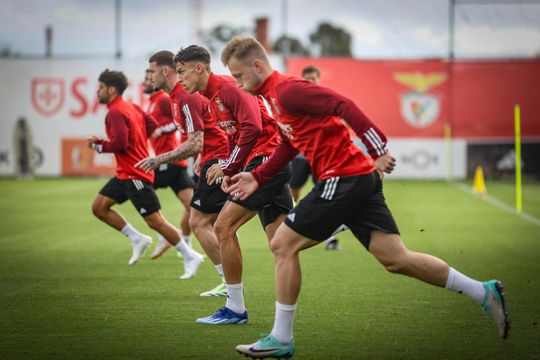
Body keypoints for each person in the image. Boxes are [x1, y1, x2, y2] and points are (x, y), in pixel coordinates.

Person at [219, 36, 510, 358]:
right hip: (359, 178)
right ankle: (483, 291)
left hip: (344, 176)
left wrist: (378, 149)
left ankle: (281, 339)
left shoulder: (289, 89)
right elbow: (290, 143)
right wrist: (258, 176)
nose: (239, 84)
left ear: (257, 65)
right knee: (395, 258)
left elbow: (344, 105)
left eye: (239, 76)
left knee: (281, 243)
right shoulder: (274, 98)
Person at [173, 45, 293, 325]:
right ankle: (335, 218)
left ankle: (235, 309)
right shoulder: (210, 96)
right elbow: (232, 135)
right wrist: (231, 166)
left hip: (266, 162)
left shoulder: (227, 87)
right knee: (281, 241)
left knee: (222, 226)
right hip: (259, 162)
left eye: (182, 72)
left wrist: (228, 166)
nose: (179, 79)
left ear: (199, 68)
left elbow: (252, 127)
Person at [89, 69, 203, 280]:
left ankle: (190, 255)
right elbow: (151, 126)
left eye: (101, 87)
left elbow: (121, 143)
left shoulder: (115, 112)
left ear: (111, 89)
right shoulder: (131, 106)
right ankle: (137, 238)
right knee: (99, 207)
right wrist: (139, 142)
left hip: (135, 174)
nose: (97, 92)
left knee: (156, 221)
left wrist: (98, 146)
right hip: (125, 173)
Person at [138, 50, 230, 293]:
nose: (149, 77)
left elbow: (196, 141)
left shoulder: (185, 96)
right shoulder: (175, 98)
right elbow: (203, 137)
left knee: (198, 221)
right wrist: (201, 157)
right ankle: (229, 282)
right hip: (213, 159)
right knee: (219, 223)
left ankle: (229, 284)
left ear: (165, 71)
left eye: (152, 71)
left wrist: (158, 159)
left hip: (219, 161)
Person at [142, 69, 196, 260]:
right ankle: (186, 242)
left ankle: (165, 235)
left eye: (150, 77)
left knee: (136, 189)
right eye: (146, 77)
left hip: (169, 161)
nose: (146, 81)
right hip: (171, 161)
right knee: (193, 206)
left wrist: (160, 129)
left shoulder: (163, 100)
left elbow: (178, 122)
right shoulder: (151, 102)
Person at [291, 65, 340, 250]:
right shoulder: (296, 102)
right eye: (308, 78)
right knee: (293, 192)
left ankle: (330, 238)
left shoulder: (325, 100)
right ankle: (295, 226)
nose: (311, 81)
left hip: (321, 157)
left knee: (325, 194)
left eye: (314, 78)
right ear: (303, 79)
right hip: (300, 156)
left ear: (319, 79)